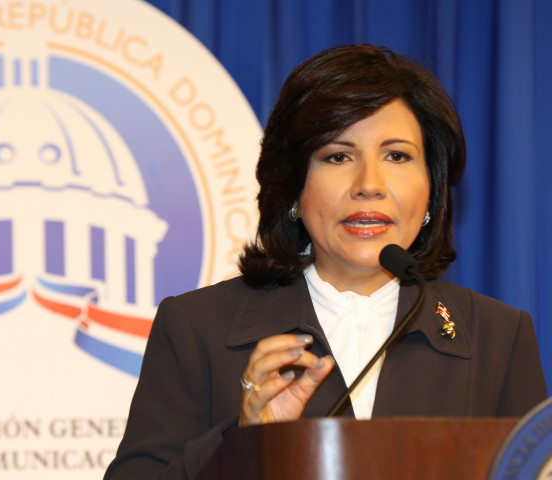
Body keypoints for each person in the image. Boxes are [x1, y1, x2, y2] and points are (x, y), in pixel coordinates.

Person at [104, 44, 548, 480]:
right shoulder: (197, 327)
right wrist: (243, 441)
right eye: (338, 156)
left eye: (397, 156)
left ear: (431, 190)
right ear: (294, 188)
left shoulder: (498, 337)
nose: (369, 184)